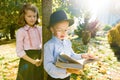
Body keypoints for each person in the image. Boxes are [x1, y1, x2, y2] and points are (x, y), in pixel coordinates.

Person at [44, 10, 95, 80]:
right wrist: (66, 70)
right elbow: (48, 66)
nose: (63, 33)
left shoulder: (67, 42)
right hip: (55, 77)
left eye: (65, 30)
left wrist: (83, 56)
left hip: (67, 76)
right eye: (59, 30)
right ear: (52, 29)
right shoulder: (49, 45)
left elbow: (72, 56)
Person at [16, 3, 42, 80]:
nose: (32, 19)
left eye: (34, 16)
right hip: (27, 60)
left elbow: (44, 45)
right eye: (29, 16)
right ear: (23, 17)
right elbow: (19, 51)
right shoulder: (21, 31)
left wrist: (42, 59)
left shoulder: (40, 29)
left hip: (40, 58)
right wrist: (33, 61)